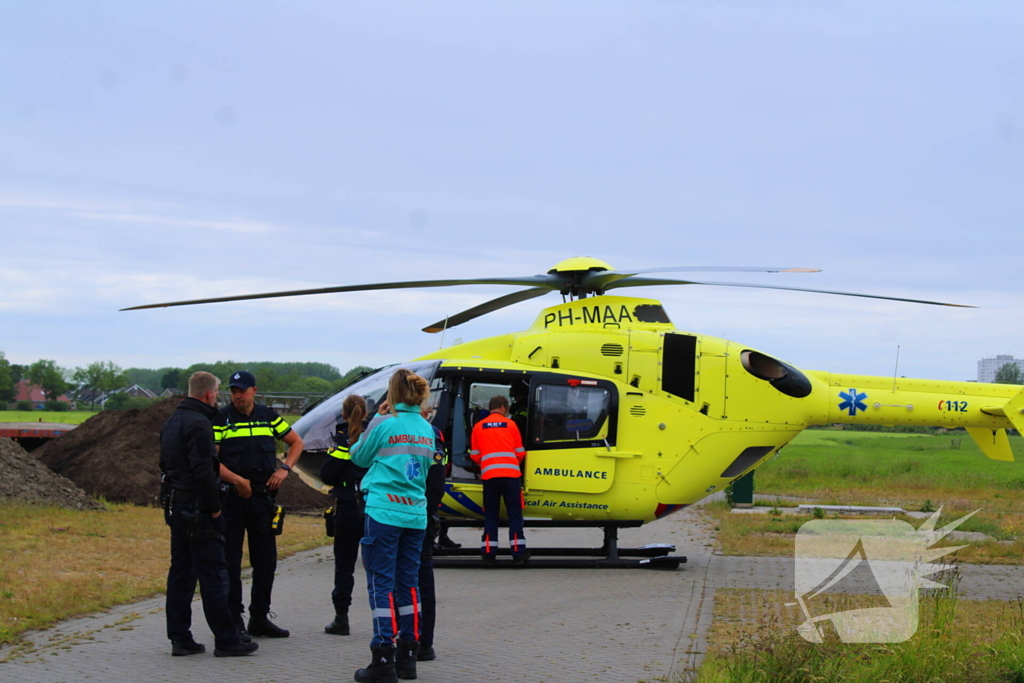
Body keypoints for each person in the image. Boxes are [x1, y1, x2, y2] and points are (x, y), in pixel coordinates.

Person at [160, 371, 258, 658]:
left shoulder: (172, 421)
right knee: (214, 574)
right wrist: (214, 509)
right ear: (209, 394)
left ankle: (180, 638)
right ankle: (227, 639)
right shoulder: (200, 423)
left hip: (175, 504)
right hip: (198, 508)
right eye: (216, 393)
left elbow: (164, 463)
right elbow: (204, 470)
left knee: (181, 573)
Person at [350, 369, 435, 683]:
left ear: (393, 394)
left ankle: (383, 655)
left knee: (381, 583)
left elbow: (359, 457)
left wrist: (375, 419)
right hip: (415, 514)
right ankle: (408, 656)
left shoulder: (386, 425)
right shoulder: (426, 428)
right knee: (409, 583)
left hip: (384, 512)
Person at [214, 370, 304, 639]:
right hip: (232, 498)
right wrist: (237, 480)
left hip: (262, 499)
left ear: (254, 391)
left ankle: (260, 617)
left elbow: (296, 442)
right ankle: (234, 619)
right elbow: (211, 461)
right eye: (233, 391)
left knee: (265, 561)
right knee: (231, 561)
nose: (237, 396)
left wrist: (285, 469)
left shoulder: (268, 416)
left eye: (242, 391)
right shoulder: (221, 419)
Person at [319, 394, 369, 636]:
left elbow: (327, 474)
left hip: (348, 507)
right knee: (380, 566)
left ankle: (341, 618)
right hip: (373, 507)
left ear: (344, 414)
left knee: (344, 566)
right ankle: (387, 618)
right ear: (366, 413)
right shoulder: (374, 436)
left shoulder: (341, 440)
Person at [470, 395, 528, 565]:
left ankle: (489, 552)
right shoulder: (511, 424)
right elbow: (520, 452)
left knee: (491, 515)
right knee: (514, 514)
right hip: (511, 476)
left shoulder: (478, 426)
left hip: (490, 476)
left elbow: (475, 455)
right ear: (503, 407)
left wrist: (488, 463)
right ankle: (518, 553)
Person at [417, 406, 448, 662]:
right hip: (418, 516)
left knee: (415, 580)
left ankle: (420, 642)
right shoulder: (433, 434)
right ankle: (419, 642)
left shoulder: (431, 435)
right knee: (421, 579)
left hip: (411, 517)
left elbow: (436, 483)